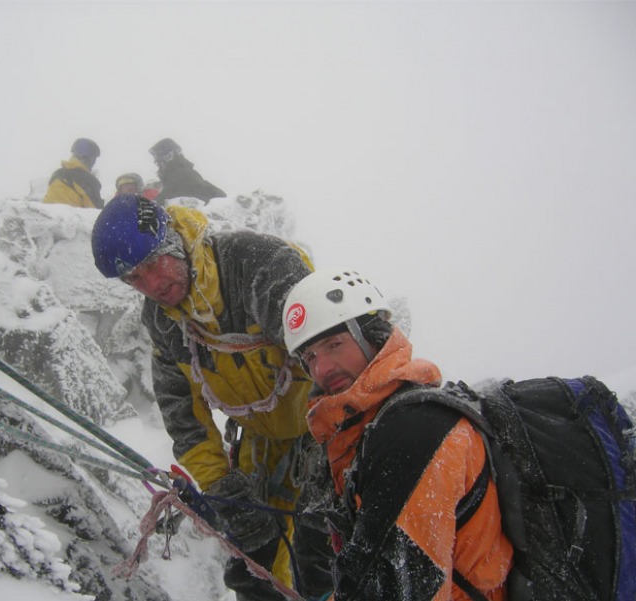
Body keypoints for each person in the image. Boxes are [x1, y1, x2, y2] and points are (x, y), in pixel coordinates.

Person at [90, 194, 333, 601]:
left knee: (321, 556)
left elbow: (326, 354)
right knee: (254, 566)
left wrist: (330, 454)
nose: (152, 286)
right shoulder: (164, 321)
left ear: (173, 240)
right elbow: (183, 415)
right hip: (261, 441)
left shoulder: (256, 265)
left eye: (153, 263)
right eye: (134, 278)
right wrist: (221, 485)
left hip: (324, 426)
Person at [282, 268, 514, 601]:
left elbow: (399, 589)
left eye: (334, 344)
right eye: (310, 357)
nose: (322, 368)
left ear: (372, 336)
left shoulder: (415, 432)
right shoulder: (368, 424)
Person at [148, 138, 226, 206]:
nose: (158, 166)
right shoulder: (184, 171)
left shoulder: (180, 175)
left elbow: (163, 200)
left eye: (158, 162)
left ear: (166, 159)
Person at [43, 138, 104, 208]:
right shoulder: (88, 180)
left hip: (46, 214)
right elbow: (96, 210)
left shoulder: (57, 174)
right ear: (87, 158)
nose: (94, 163)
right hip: (71, 215)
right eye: (94, 159)